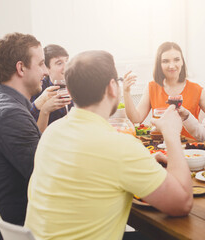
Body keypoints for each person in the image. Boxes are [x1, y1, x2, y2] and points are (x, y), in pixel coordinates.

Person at [25, 50, 193, 240]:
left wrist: (144, 161)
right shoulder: (121, 147)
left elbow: (90, 167)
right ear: (113, 87)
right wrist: (171, 134)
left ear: (70, 91)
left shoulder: (51, 133)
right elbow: (183, 203)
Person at [0, 32, 48, 240]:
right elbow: (45, 177)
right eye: (42, 64)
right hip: (28, 227)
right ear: (21, 68)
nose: (45, 71)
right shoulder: (11, 114)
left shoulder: (6, 103)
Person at [123, 42, 205, 139]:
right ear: (159, 64)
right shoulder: (152, 87)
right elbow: (136, 119)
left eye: (176, 60)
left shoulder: (196, 89)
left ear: (182, 61)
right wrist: (126, 92)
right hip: (160, 146)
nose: (172, 66)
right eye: (165, 61)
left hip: (190, 149)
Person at [30, 44, 72, 133]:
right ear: (47, 68)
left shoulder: (76, 86)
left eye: (67, 61)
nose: (66, 66)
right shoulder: (39, 90)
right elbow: (31, 128)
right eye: (59, 63)